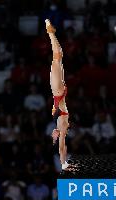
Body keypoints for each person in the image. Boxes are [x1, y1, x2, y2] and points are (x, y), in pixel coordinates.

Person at [45, 19, 75, 170]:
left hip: (58, 91)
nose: (69, 127)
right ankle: (51, 33)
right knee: (58, 57)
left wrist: (63, 163)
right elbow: (61, 144)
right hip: (59, 92)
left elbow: (62, 148)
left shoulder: (62, 125)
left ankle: (50, 32)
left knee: (57, 56)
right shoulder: (61, 124)